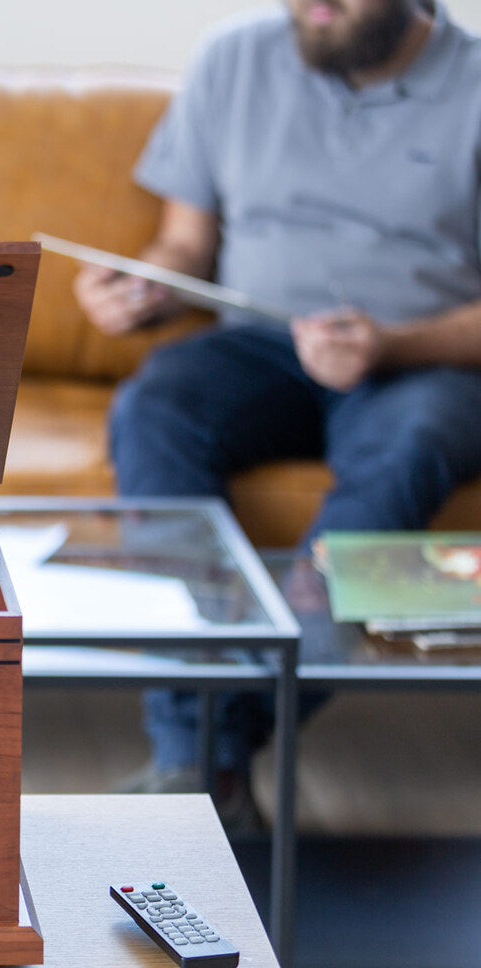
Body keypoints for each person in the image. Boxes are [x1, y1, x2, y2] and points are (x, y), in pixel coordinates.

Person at [74, 0, 481, 826]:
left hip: (418, 358)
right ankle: (208, 757)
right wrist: (142, 287)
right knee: (155, 405)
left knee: (412, 445)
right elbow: (183, 245)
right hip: (257, 344)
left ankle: (201, 755)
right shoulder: (232, 57)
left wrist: (390, 345)